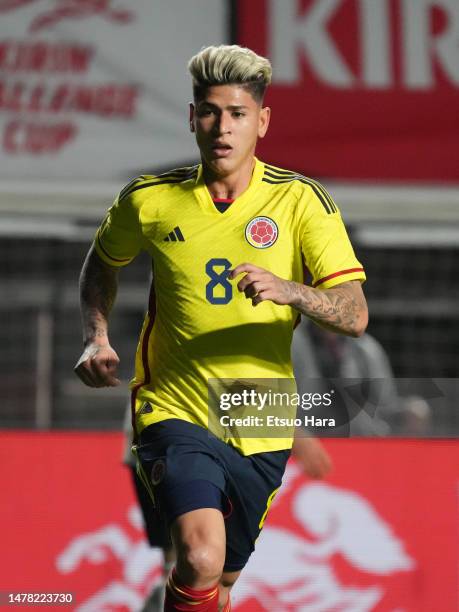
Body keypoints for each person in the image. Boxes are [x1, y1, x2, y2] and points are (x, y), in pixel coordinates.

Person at [75, 44, 368, 612]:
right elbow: (100, 265)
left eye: (237, 113)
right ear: (192, 118)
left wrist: (290, 290)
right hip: (174, 408)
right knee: (198, 556)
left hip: (260, 418)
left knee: (220, 582)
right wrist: (97, 334)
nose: (222, 126)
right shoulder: (150, 200)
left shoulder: (300, 201)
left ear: (262, 121)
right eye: (209, 111)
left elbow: (354, 314)